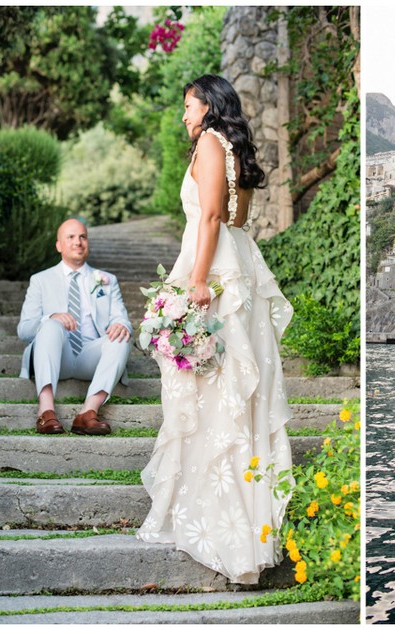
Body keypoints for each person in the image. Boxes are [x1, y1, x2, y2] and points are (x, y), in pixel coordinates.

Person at [136, 75, 294, 585]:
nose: (184, 115)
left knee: (212, 386)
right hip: (240, 262)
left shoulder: (208, 142)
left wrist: (198, 279)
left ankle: (218, 515)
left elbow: (208, 217)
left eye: (188, 105)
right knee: (232, 389)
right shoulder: (236, 150)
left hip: (214, 268)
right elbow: (237, 218)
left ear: (208, 106)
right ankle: (246, 519)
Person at [17, 219, 132, 435]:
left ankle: (88, 413)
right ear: (59, 245)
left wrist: (120, 324)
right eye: (70, 237)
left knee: (122, 336)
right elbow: (24, 330)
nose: (78, 242)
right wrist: (51, 317)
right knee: (50, 325)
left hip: (92, 355)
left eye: (82, 237)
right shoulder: (40, 280)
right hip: (56, 357)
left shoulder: (107, 280)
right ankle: (46, 411)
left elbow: (122, 318)